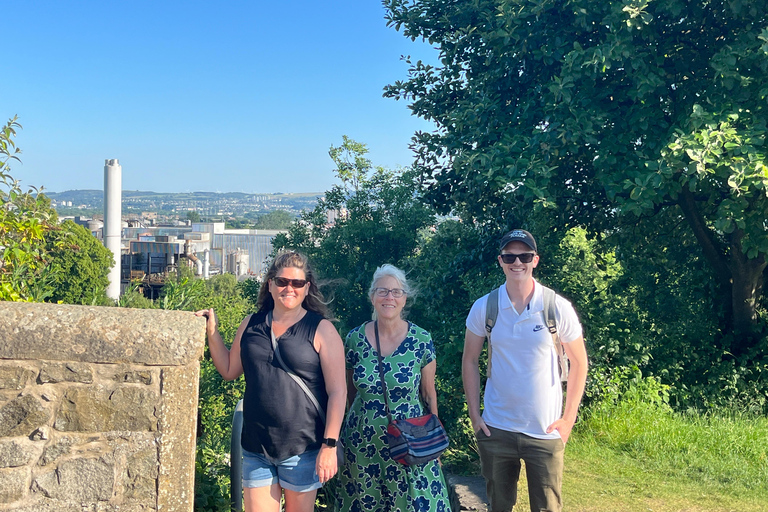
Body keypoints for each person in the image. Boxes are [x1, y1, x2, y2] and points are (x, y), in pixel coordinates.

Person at [196, 251, 346, 512]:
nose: (289, 288)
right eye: (282, 282)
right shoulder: (251, 325)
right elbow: (230, 370)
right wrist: (213, 333)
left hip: (304, 448)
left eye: (297, 283)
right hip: (256, 445)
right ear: (270, 284)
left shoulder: (321, 329)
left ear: (307, 287)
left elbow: (338, 392)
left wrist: (329, 445)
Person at [462, 229, 588, 512]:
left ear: (535, 260)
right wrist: (474, 414)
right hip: (497, 428)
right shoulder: (485, 307)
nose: (517, 262)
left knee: (546, 508)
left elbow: (579, 362)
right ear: (500, 260)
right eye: (510, 256)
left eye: (524, 256)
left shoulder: (556, 307)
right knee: (498, 506)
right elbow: (469, 360)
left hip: (544, 430)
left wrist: (568, 419)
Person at [336, 264, 452, 512]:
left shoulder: (421, 340)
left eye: (396, 292)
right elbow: (348, 392)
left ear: (404, 298)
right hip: (363, 443)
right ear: (372, 297)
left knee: (413, 502)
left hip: (409, 440)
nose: (389, 297)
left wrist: (435, 447)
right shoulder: (354, 340)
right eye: (382, 291)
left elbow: (429, 394)